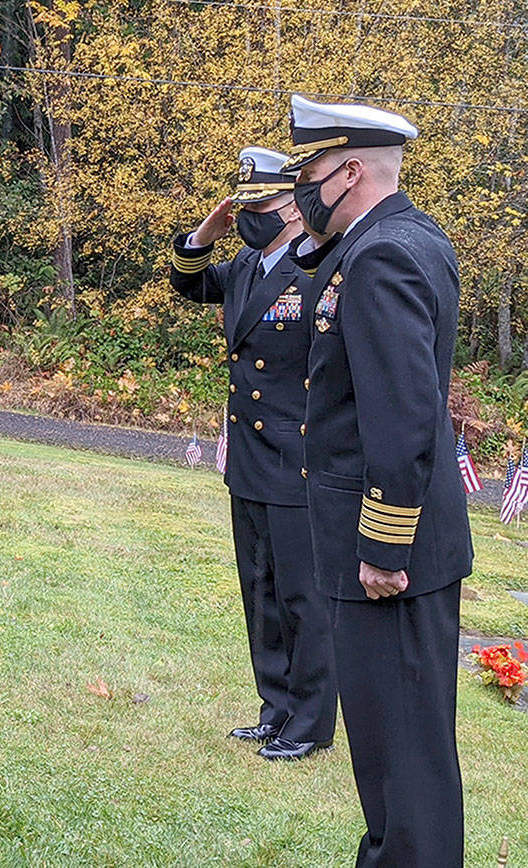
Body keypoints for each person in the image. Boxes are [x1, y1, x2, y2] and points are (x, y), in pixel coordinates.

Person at [284, 94, 474, 867]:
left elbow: (400, 414)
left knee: (403, 757)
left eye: (313, 171)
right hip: (396, 545)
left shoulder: (384, 255)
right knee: (397, 753)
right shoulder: (402, 236)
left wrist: (383, 548)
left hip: (389, 557)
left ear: (351, 170)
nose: (302, 190)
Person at [169, 147, 337, 761]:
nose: (248, 215)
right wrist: (205, 230)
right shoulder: (243, 263)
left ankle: (311, 721)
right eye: (242, 206)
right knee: (260, 591)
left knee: (302, 596)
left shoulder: (318, 267)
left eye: (258, 205)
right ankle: (276, 707)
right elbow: (188, 281)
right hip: (248, 459)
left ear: (291, 206)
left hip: (295, 459)